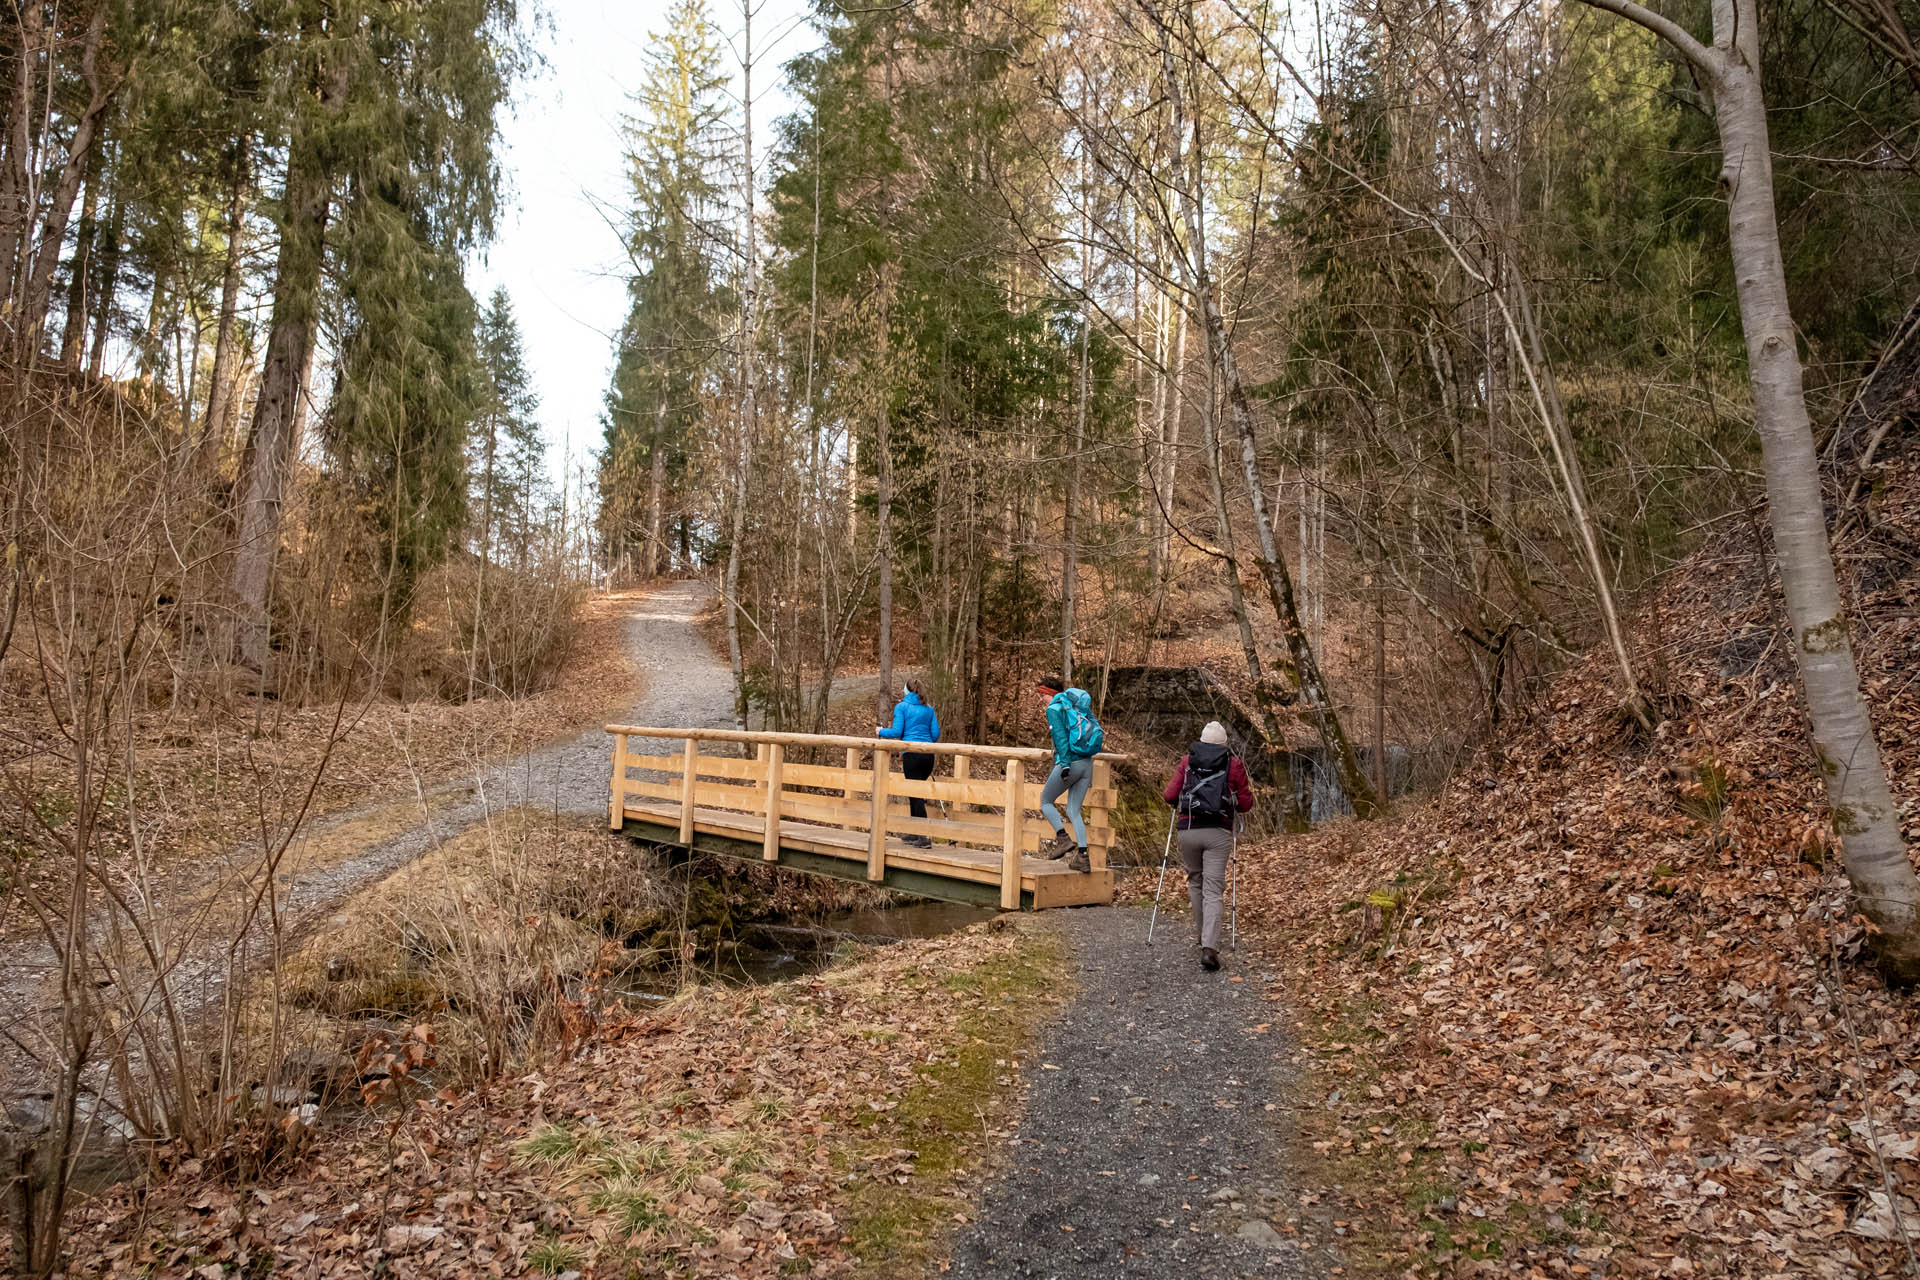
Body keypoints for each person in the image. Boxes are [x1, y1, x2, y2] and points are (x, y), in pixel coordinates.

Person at [1163, 721, 1254, 971]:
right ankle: (1209, 947)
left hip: (1189, 830)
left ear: (1201, 741)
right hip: (1218, 833)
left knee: (1195, 881)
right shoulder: (1233, 764)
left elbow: (1169, 795)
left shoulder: (1187, 761)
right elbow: (1245, 804)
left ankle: (1202, 935)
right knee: (1213, 889)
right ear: (1224, 744)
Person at [1033, 674, 1103, 873]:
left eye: (1042, 694)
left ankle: (1063, 839)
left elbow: (1061, 739)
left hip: (1070, 763)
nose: (1040, 699)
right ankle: (1083, 856)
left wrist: (1064, 765)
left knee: (1046, 801)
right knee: (1073, 810)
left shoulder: (1054, 709)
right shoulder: (1075, 706)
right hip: (1086, 763)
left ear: (1050, 693)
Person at [876, 678, 940, 848]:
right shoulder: (929, 709)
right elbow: (935, 735)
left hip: (912, 755)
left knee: (915, 794)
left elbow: (897, 731)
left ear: (907, 691)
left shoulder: (902, 707)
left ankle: (923, 836)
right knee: (915, 793)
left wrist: (881, 731)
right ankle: (915, 832)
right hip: (928, 756)